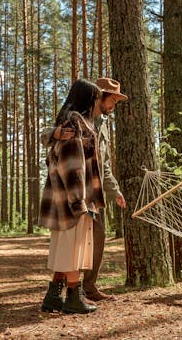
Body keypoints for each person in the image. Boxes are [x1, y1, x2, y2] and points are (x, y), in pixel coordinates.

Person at [41, 77, 127, 303]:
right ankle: (72, 293)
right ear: (98, 97)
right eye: (112, 100)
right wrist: (54, 133)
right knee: (71, 242)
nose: (112, 106)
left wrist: (114, 191)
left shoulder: (103, 125)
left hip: (93, 191)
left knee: (86, 240)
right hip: (75, 192)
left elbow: (103, 164)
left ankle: (69, 290)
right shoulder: (77, 119)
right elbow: (69, 158)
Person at [38, 78, 103, 314]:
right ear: (88, 99)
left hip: (65, 197)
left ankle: (53, 296)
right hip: (72, 198)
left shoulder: (73, 122)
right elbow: (72, 165)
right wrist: (79, 201)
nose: (98, 102)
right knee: (71, 248)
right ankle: (73, 298)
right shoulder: (76, 124)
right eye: (96, 98)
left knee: (64, 246)